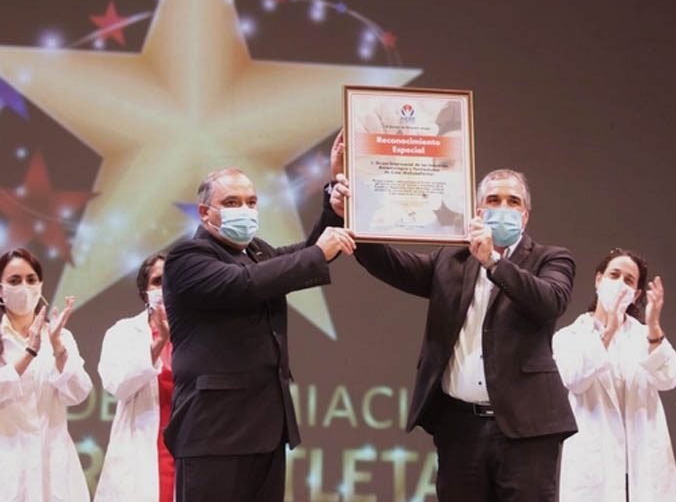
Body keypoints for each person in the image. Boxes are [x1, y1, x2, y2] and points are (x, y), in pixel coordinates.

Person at [330, 165, 577, 502]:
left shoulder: (552, 259)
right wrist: (354, 219)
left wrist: (493, 262)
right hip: (461, 429)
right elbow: (395, 265)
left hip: (527, 431)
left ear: (526, 215)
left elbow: (550, 301)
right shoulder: (452, 258)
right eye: (493, 200)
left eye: (513, 201)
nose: (503, 207)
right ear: (478, 211)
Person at [162, 164, 356, 502]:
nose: (245, 210)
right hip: (213, 431)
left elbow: (302, 257)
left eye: (251, 202)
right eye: (232, 202)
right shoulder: (188, 257)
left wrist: (333, 210)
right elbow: (244, 284)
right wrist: (317, 252)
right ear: (205, 212)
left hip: (264, 428)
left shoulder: (256, 251)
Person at [552, 248, 676, 501]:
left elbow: (670, 379)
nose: (620, 284)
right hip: (595, 465)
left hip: (643, 464)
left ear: (636, 295)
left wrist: (654, 327)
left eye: (629, 280)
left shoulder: (645, 335)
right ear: (599, 279)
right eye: (614, 275)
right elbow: (574, 379)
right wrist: (608, 332)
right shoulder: (569, 336)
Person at [0, 248, 92, 501]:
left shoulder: (60, 336)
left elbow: (79, 393)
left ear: (40, 285)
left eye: (31, 279)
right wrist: (30, 352)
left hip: (54, 463)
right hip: (8, 463)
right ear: (1, 290)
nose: (24, 287)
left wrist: (58, 348)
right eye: (14, 280)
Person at [95, 252, 174, 502]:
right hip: (139, 451)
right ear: (144, 291)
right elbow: (118, 385)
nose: (165, 288)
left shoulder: (197, 334)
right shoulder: (124, 332)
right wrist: (158, 344)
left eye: (172, 280)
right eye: (158, 281)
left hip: (186, 451)